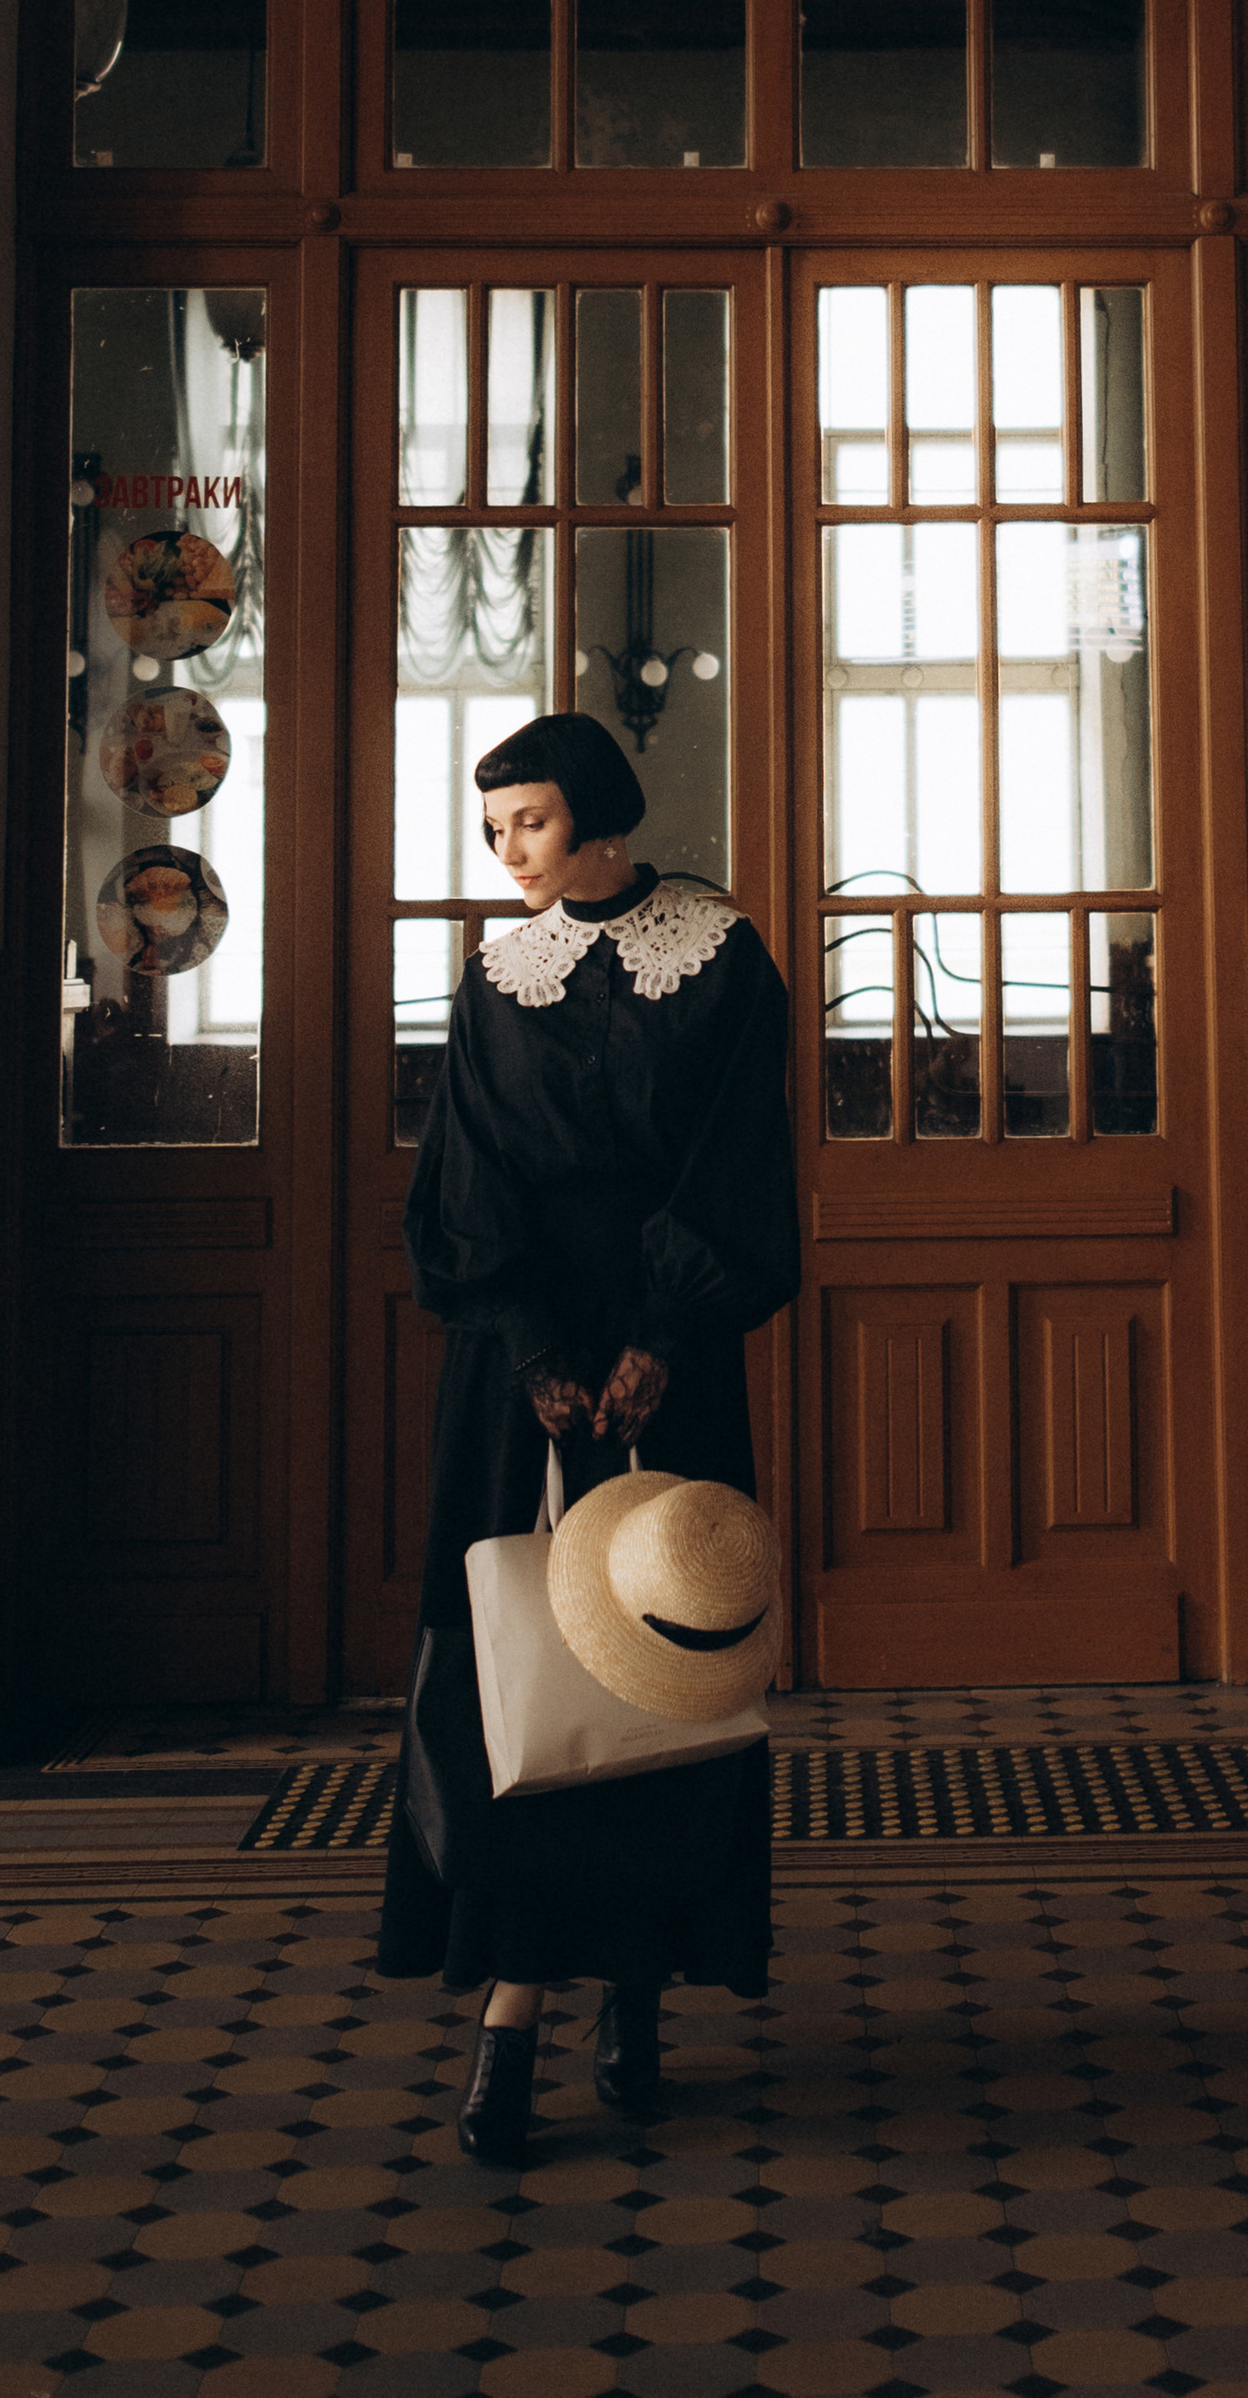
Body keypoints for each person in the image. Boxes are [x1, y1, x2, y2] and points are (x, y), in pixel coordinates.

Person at [377, 711, 800, 2165]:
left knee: (666, 1664)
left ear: (604, 815)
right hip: (524, 1371)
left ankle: (636, 1987)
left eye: (531, 825)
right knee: (517, 1682)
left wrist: (658, 1342)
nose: (507, 854)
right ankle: (510, 2010)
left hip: (672, 1357)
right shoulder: (500, 976)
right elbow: (467, 1184)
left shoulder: (725, 957)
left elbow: (739, 1165)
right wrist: (538, 1349)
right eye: (493, 832)